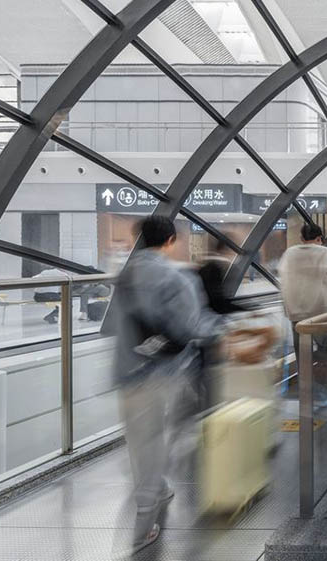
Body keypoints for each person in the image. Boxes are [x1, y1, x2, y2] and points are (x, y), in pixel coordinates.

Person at [112, 216, 270, 553]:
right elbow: (194, 324)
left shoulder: (125, 275)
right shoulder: (173, 276)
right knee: (158, 439)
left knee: (141, 441)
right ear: (169, 240)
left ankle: (156, 489)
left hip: (126, 370)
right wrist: (240, 332)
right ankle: (143, 528)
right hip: (161, 372)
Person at [278, 223, 327, 365]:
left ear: (301, 238)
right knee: (326, 349)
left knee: (302, 352)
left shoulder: (290, 253)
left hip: (296, 312)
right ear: (320, 238)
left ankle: (304, 380)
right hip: (321, 311)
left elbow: (283, 277)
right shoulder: (326, 253)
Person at [197, 236, 255, 316]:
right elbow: (218, 304)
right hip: (209, 316)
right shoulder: (213, 269)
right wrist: (247, 311)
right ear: (226, 249)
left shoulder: (208, 266)